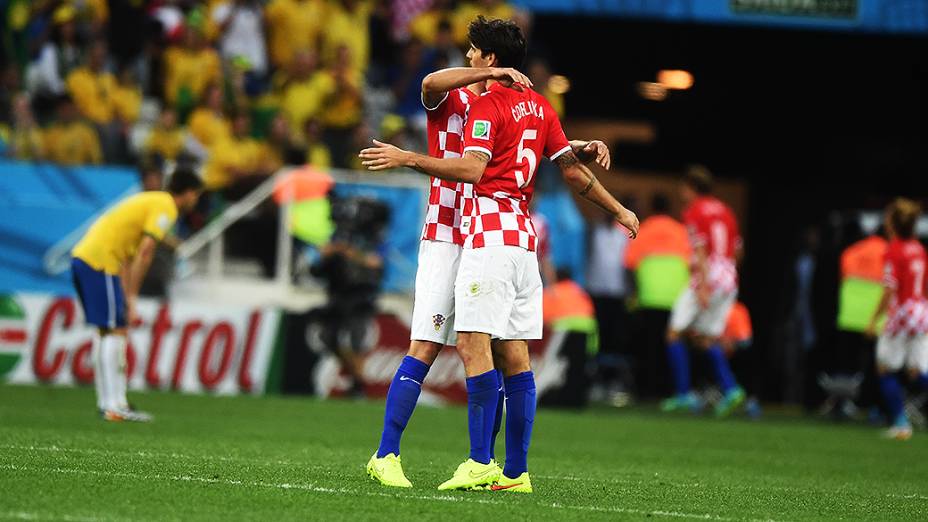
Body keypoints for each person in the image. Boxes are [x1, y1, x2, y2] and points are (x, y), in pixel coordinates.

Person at [360, 16, 638, 493]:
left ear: (488, 55)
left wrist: (575, 149)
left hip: (482, 230)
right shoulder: (454, 93)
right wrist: (489, 74)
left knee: (488, 345)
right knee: (428, 344)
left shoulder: (497, 104)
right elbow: (431, 82)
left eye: (473, 53)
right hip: (446, 233)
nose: (466, 59)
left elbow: (516, 149)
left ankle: (491, 464)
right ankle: (387, 455)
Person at [71, 168, 203, 421]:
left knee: (108, 330)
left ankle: (112, 403)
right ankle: (113, 405)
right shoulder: (166, 207)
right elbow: (145, 252)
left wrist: (124, 296)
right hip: (100, 262)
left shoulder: (150, 203)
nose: (195, 201)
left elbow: (128, 258)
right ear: (187, 193)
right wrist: (131, 298)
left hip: (89, 259)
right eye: (196, 195)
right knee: (114, 330)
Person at [661, 166, 745, 417]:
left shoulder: (694, 211)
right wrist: (724, 275)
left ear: (691, 187)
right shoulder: (727, 211)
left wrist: (705, 284)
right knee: (706, 338)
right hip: (728, 275)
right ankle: (732, 390)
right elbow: (738, 249)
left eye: (683, 187)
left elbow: (699, 249)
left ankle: (683, 395)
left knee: (674, 333)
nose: (681, 192)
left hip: (707, 276)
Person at [867, 198, 928, 440]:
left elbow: (890, 288)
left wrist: (874, 319)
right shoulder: (919, 249)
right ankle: (901, 423)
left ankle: (901, 424)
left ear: (892, 223)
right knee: (916, 371)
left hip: (902, 312)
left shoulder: (893, 250)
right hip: (921, 311)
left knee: (884, 368)